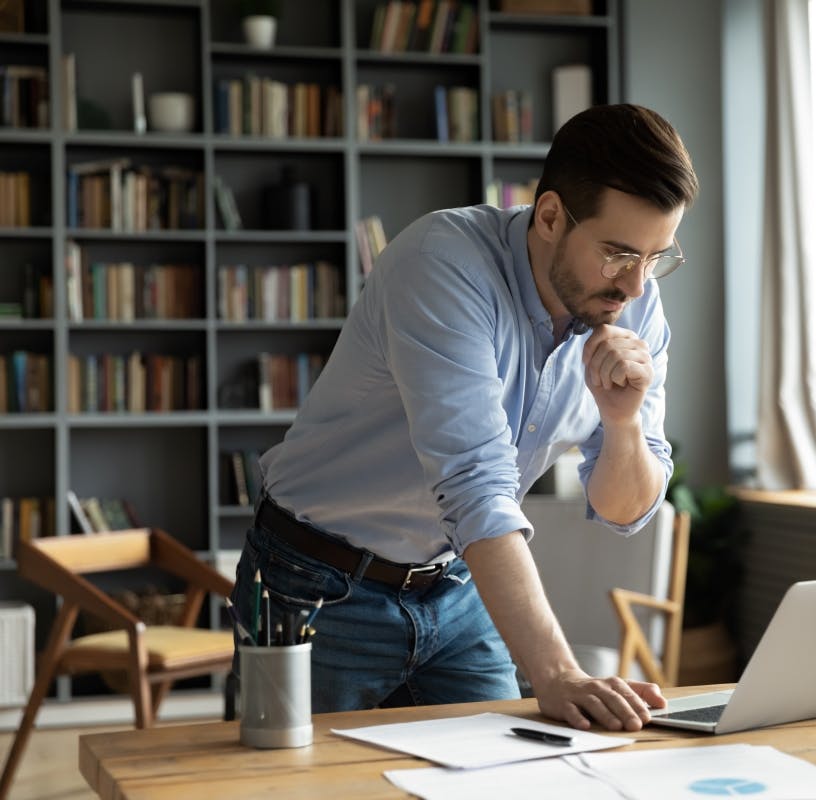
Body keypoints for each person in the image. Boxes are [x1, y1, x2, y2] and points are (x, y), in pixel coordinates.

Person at [231, 103, 699, 732]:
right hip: (315, 581)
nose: (637, 286)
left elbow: (625, 510)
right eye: (618, 254)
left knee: (505, 770)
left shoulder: (634, 301)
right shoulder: (442, 264)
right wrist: (559, 673)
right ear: (551, 216)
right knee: (294, 778)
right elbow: (476, 486)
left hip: (454, 584)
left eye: (657, 257)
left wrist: (622, 422)